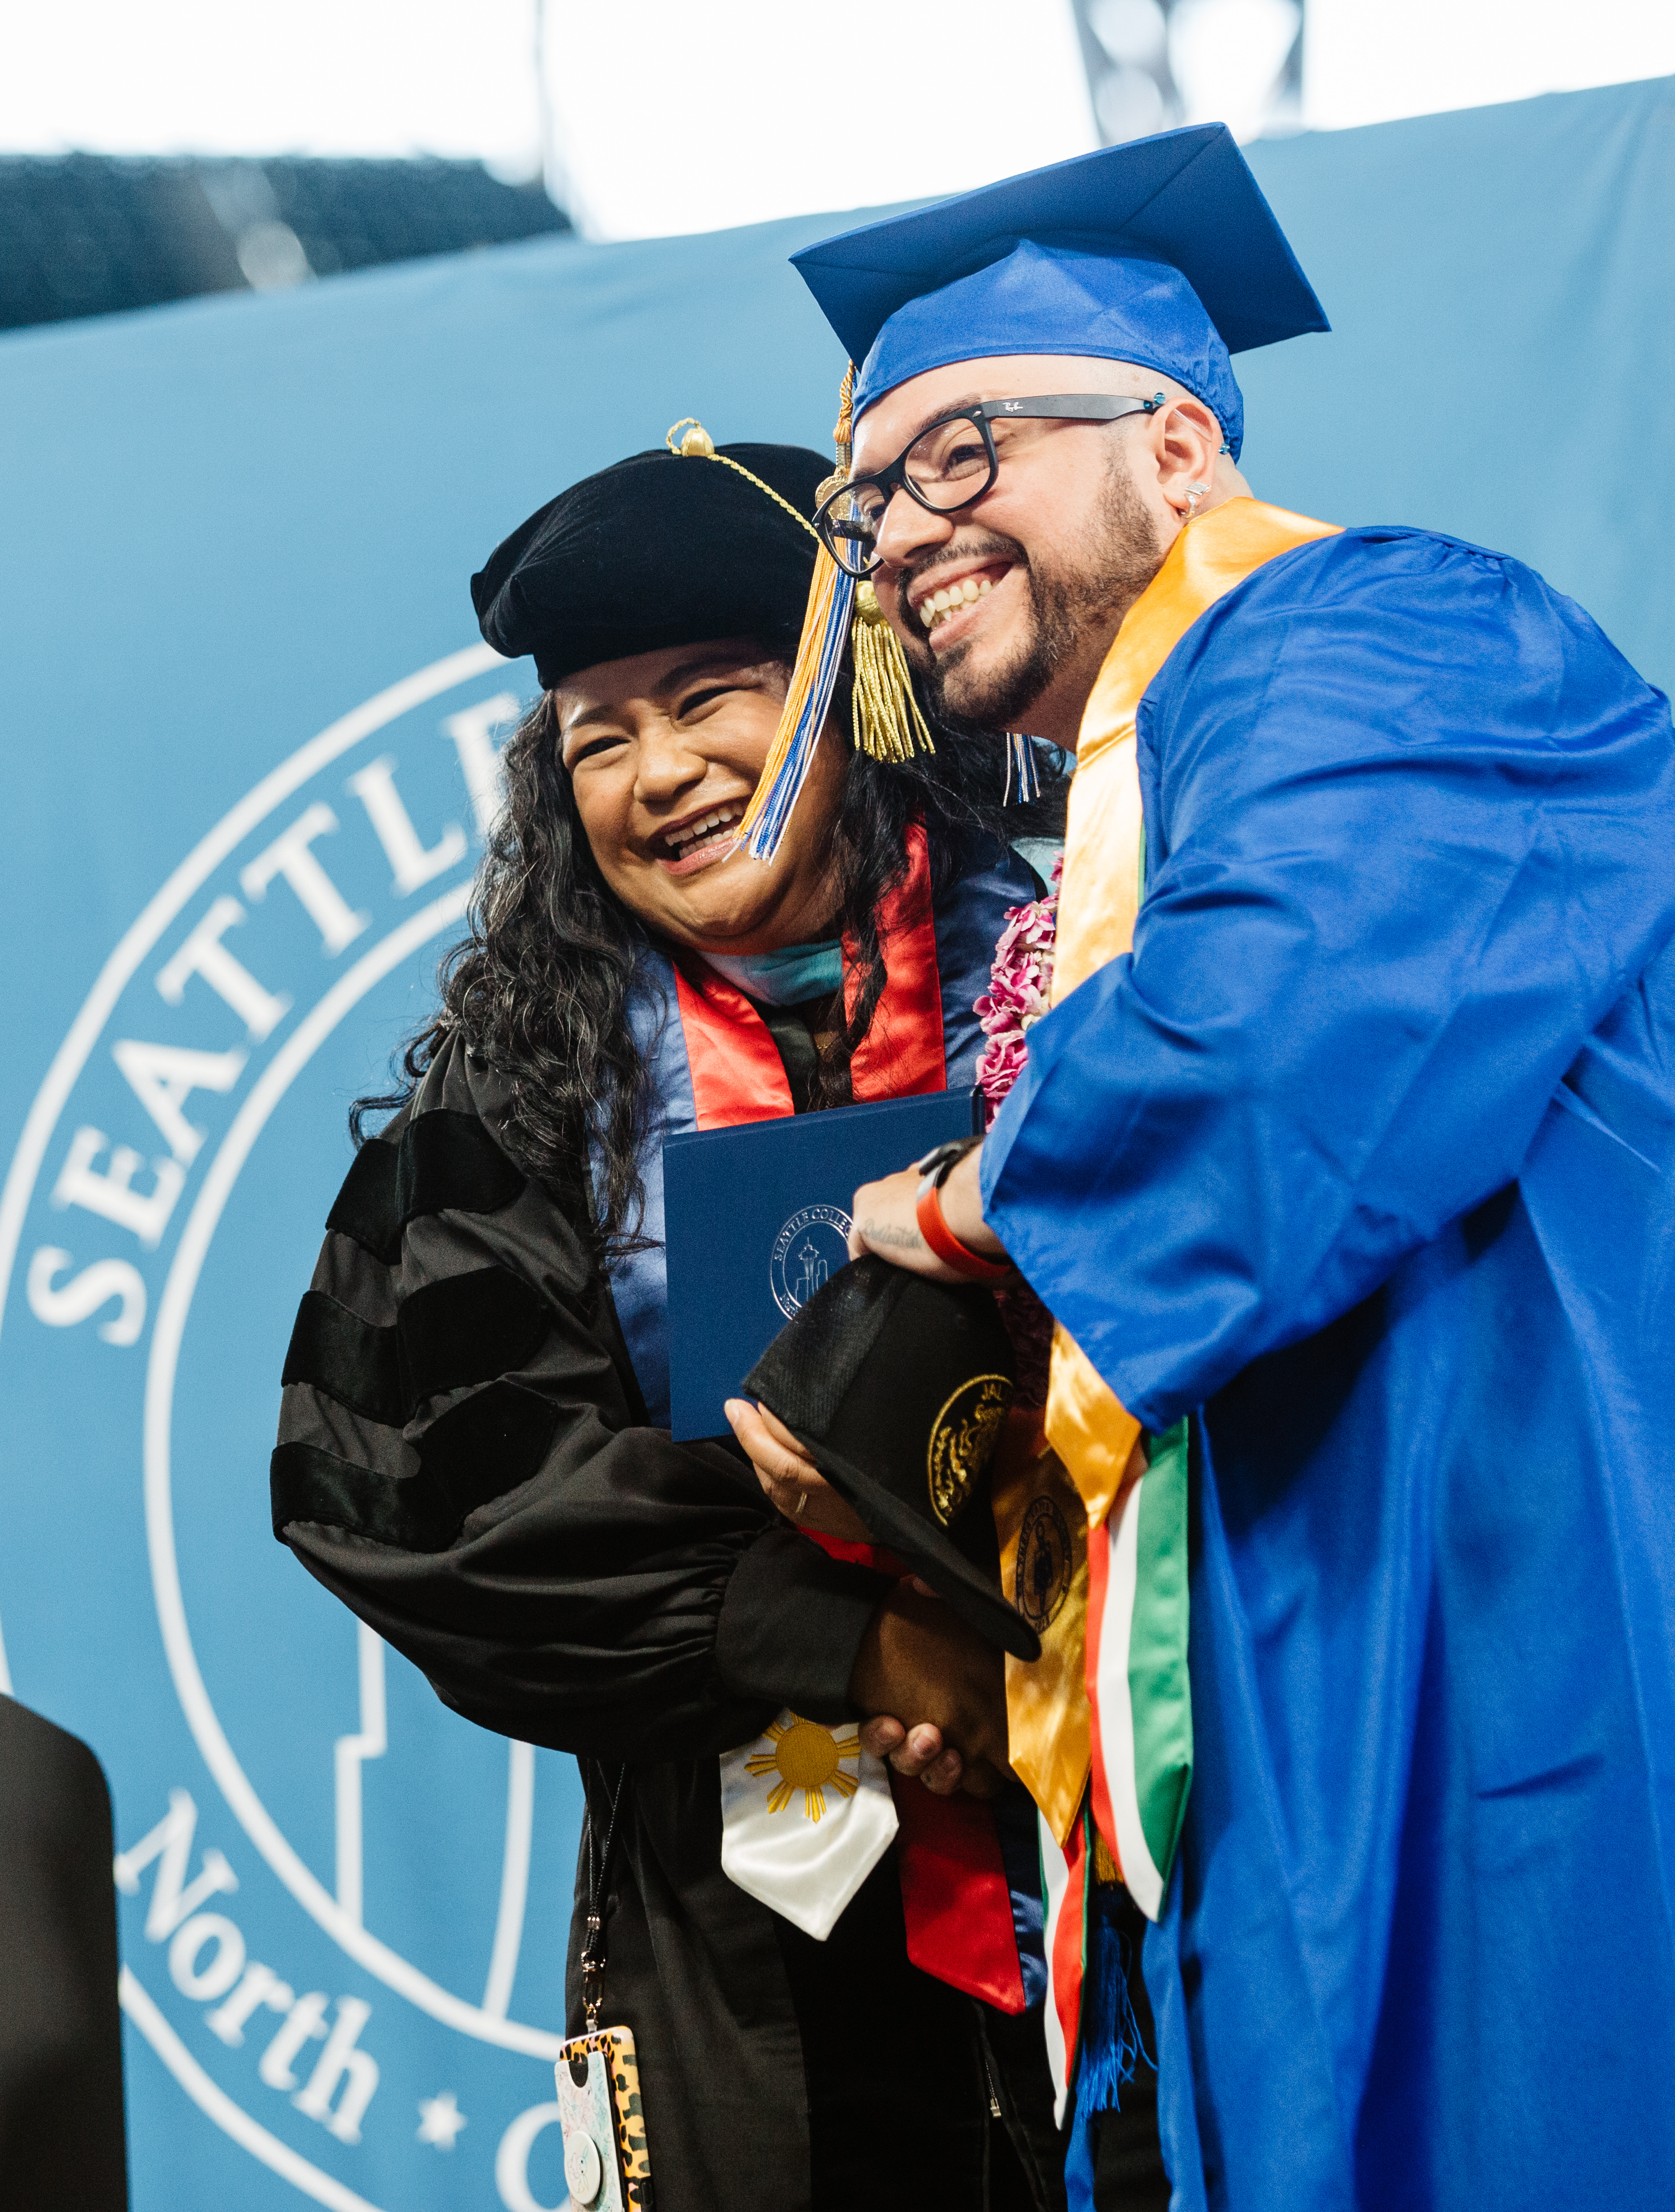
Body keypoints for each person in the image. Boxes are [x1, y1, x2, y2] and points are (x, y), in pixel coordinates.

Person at [740, 124, 1675, 2207]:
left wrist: (925, 1211)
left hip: (1586, 1676)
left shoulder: (1385, 632)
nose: (904, 532)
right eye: (869, 497)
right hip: (1365, 1690)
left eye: (968, 453)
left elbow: (1275, 1063)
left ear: (1180, 445)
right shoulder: (1186, 768)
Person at [267, 429, 1079, 2212]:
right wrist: (852, 1644)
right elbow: (439, 1506)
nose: (660, 773)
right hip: (747, 1934)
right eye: (598, 739)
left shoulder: (1077, 981)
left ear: (851, 694)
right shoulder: (527, 1099)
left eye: (714, 696)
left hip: (1121, 1830)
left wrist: (1037, 1654)